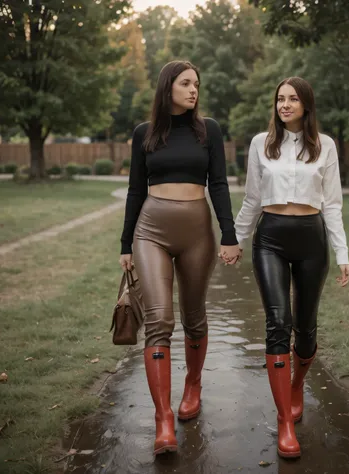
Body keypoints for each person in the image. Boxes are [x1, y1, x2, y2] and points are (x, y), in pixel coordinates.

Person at [119, 60, 240, 455]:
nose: (194, 91)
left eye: (197, 85)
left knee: (193, 317)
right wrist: (125, 245)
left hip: (197, 233)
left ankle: (193, 384)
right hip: (150, 229)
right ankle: (163, 420)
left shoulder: (209, 131)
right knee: (159, 321)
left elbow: (219, 183)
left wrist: (229, 234)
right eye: (187, 83)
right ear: (168, 86)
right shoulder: (145, 134)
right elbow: (136, 191)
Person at [234, 76, 349, 458]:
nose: (285, 104)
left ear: (306, 105)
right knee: (277, 322)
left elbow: (332, 203)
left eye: (293, 99)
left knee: (305, 330)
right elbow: (252, 198)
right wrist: (235, 239)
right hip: (269, 237)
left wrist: (343, 253)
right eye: (280, 99)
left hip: (311, 239)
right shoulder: (260, 144)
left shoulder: (325, 146)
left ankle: (297, 383)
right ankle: (285, 421)